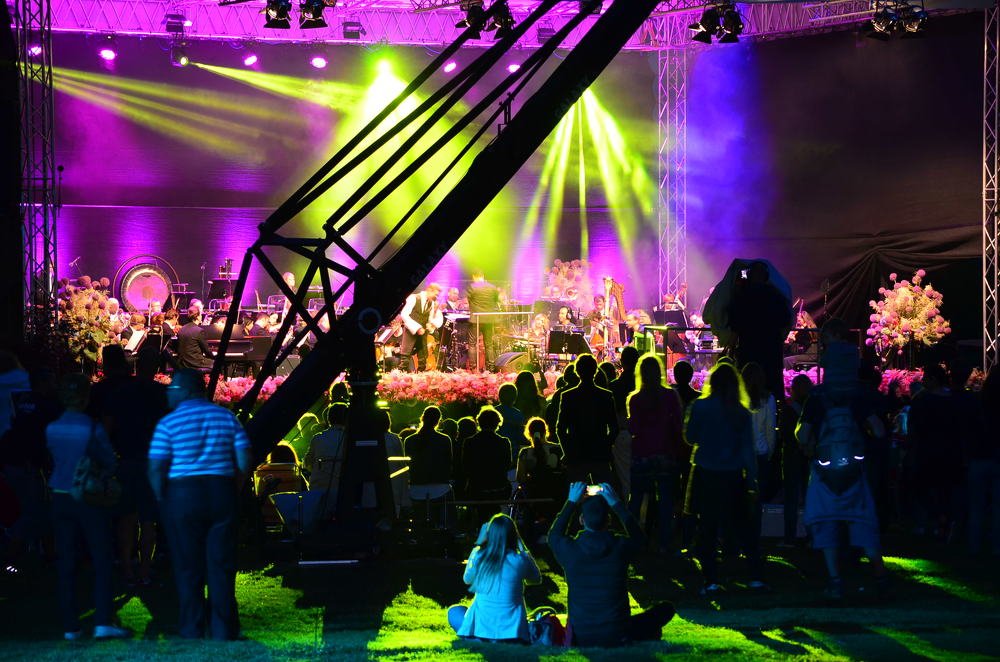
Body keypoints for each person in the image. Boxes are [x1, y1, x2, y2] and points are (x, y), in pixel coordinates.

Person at [148, 369, 251, 640]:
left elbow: (156, 466)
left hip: (183, 496)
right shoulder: (226, 417)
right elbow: (243, 458)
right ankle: (223, 629)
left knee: (187, 566)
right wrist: (234, 487)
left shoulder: (168, 423)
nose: (168, 394)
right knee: (221, 564)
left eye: (172, 389)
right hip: (221, 491)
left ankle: (191, 627)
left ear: (185, 391)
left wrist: (161, 498)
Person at [795, 320, 889, 599]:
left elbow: (803, 435)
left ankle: (835, 580)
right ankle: (880, 577)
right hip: (854, 469)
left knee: (825, 524)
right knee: (862, 522)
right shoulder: (860, 395)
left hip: (824, 470)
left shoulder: (818, 396)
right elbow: (879, 430)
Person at [47, 373, 130, 640]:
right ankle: (103, 620)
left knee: (66, 560)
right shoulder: (92, 428)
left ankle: (70, 625)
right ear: (85, 397)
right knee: (101, 556)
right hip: (87, 495)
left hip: (59, 495)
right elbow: (109, 461)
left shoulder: (52, 428)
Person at [549, 482, 675, 646]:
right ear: (608, 520)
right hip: (617, 632)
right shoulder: (620, 547)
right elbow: (639, 538)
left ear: (581, 519)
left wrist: (571, 502)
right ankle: (648, 634)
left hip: (582, 634)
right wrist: (616, 503)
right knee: (666, 609)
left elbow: (554, 535)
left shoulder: (570, 550)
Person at [684, 362, 759, 593]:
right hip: (733, 473)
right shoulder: (741, 412)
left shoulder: (700, 406)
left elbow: (690, 437)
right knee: (742, 526)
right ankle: (754, 575)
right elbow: (748, 449)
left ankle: (711, 579)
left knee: (707, 526)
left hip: (706, 471)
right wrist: (752, 479)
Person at [448, 513, 541, 642]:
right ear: (514, 536)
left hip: (481, 632)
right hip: (512, 634)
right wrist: (522, 546)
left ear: (489, 535)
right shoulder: (520, 560)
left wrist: (478, 544)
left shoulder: (479, 556)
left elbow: (467, 579)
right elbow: (535, 580)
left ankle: (476, 638)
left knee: (454, 611)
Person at [627, 354, 685, 554]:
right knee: (665, 502)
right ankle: (664, 543)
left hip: (642, 453)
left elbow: (633, 428)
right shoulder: (670, 396)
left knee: (636, 499)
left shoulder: (636, 399)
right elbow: (677, 426)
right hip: (665, 453)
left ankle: (634, 540)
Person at [727, 261, 793, 398]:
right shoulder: (776, 295)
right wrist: (779, 340)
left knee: (747, 391)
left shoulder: (742, 296)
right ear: (766, 276)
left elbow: (735, 327)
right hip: (771, 352)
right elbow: (787, 322)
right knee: (772, 390)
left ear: (750, 275)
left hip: (748, 350)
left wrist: (730, 350)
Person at [556, 354, 619, 485]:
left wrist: (568, 450)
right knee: (604, 492)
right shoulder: (606, 396)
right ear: (595, 371)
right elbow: (614, 427)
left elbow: (560, 429)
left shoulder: (568, 396)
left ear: (577, 371)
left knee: (576, 493)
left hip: (577, 455)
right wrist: (606, 446)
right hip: (599, 454)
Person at [968, 368, 1000, 555]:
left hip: (978, 458)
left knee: (976, 505)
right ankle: (996, 546)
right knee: (997, 506)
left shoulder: (978, 403)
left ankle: (974, 545)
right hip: (997, 457)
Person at [779, 373, 813, 546]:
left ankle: (789, 537)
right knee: (810, 497)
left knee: (791, 498)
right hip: (809, 456)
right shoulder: (812, 410)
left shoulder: (788, 410)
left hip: (791, 456)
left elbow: (784, 434)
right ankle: (812, 536)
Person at [462, 407, 512, 524]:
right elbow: (507, 465)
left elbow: (466, 467)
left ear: (479, 422)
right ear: (497, 423)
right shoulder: (504, 442)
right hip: (499, 488)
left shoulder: (469, 442)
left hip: (477, 489)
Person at [304, 402, 348, 495]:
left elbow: (307, 463)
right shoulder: (351, 439)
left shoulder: (317, 438)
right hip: (344, 490)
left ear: (329, 419)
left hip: (318, 489)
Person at [400, 283, 444, 372]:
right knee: (405, 360)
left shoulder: (431, 303)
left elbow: (432, 318)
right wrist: (417, 328)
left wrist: (431, 324)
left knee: (422, 361)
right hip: (411, 332)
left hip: (423, 334)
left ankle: (420, 379)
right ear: (430, 290)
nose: (436, 297)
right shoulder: (414, 298)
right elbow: (404, 314)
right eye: (436, 294)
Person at [466, 271, 502, 370]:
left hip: (476, 319)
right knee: (489, 344)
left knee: (472, 344)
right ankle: (491, 367)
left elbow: (469, 301)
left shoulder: (472, 287)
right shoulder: (492, 287)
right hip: (489, 319)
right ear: (483, 276)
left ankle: (473, 368)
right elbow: (496, 301)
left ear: (474, 276)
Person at [176, 305, 215, 369]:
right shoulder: (199, 331)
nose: (201, 316)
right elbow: (207, 351)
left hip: (183, 363)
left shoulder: (182, 329)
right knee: (218, 363)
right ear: (197, 317)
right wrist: (214, 357)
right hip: (195, 362)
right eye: (200, 315)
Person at [496, 383, 527, 458]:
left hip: (495, 448)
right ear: (515, 397)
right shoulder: (518, 414)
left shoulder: (494, 411)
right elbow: (521, 436)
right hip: (513, 450)